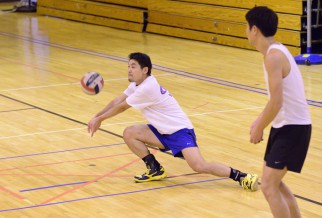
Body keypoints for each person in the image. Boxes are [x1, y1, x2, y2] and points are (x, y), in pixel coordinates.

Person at [88, 52, 258, 191]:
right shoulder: (136, 85)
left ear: (145, 70)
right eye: (128, 66)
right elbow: (116, 101)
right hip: (161, 131)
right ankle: (155, 169)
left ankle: (241, 176)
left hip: (180, 131)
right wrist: (97, 117)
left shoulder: (148, 87)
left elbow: (122, 107)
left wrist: (101, 119)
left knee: (198, 165)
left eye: (133, 67)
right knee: (130, 133)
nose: (129, 70)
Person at [245, 6, 312, 218]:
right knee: (273, 183)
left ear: (254, 29)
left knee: (269, 187)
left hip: (293, 128)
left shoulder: (273, 56)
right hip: (285, 126)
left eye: (246, 27)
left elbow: (276, 101)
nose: (245, 31)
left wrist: (258, 126)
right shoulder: (275, 50)